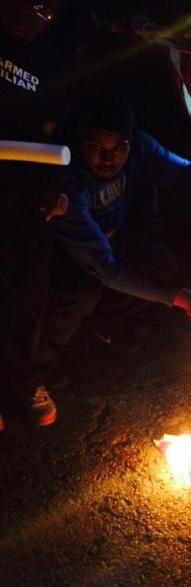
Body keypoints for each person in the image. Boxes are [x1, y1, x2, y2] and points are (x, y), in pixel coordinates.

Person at [48, 91, 191, 377]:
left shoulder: (140, 147)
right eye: (96, 147)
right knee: (82, 292)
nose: (108, 158)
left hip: (115, 240)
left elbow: (182, 175)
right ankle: (46, 360)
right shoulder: (68, 183)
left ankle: (104, 325)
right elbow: (106, 267)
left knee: (161, 264)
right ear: (80, 142)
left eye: (118, 148)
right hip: (68, 259)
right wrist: (185, 300)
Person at [0, 0, 73, 428]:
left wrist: (54, 188)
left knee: (29, 291)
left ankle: (29, 380)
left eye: (45, 8)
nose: (31, 13)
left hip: (25, 193)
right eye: (24, 2)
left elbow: (55, 129)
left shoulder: (52, 58)